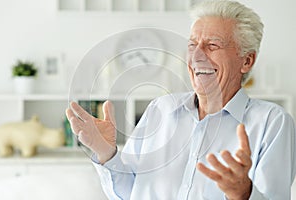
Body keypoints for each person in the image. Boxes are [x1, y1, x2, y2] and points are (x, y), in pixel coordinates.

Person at [66, 0, 296, 199]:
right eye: (192, 45)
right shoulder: (160, 109)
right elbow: (130, 193)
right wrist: (107, 154)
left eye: (212, 45)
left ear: (247, 61)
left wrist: (243, 194)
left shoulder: (271, 123)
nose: (196, 56)